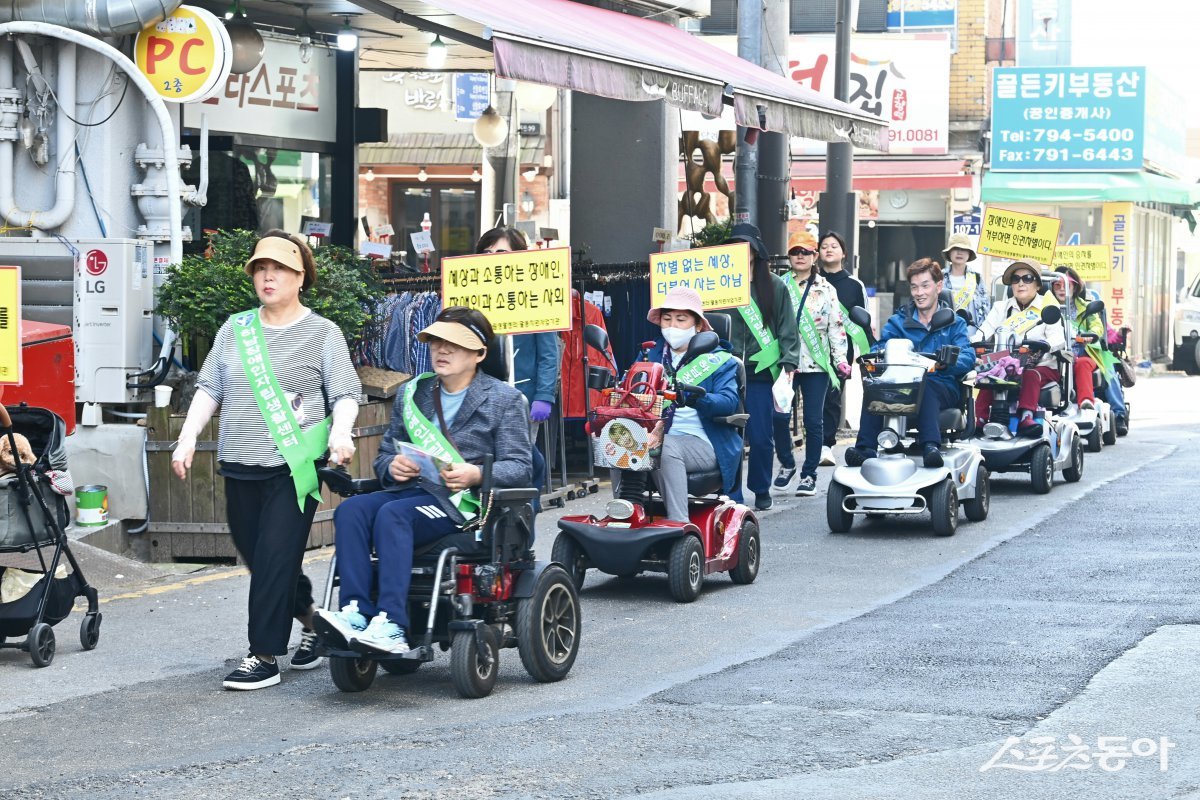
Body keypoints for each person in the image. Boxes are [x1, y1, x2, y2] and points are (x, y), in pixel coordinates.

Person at [172, 231, 360, 690]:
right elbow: (210, 388)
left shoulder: (322, 333)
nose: (267, 275)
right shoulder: (235, 329)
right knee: (264, 560)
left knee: (275, 558)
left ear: (301, 278)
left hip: (293, 469)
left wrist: (340, 432)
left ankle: (263, 655)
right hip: (239, 463)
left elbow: (346, 393)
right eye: (260, 268)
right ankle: (314, 624)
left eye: (278, 268)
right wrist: (187, 437)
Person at [314, 307, 531, 654]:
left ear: (479, 353)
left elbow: (520, 466)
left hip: (463, 505)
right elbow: (384, 456)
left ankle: (393, 624)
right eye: (436, 342)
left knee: (393, 516)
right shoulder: (413, 393)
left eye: (454, 345)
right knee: (351, 510)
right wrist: (392, 467)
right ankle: (355, 612)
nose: (441, 351)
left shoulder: (504, 400)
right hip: (411, 491)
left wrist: (476, 474)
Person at [844, 258, 975, 468]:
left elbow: (968, 357)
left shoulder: (954, 323)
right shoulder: (898, 321)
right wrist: (876, 354)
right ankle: (865, 448)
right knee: (875, 387)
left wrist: (947, 361)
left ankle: (930, 445)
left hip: (941, 385)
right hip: (902, 385)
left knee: (927, 384)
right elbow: (883, 346)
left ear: (938, 286)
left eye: (925, 286)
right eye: (914, 287)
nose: (919, 293)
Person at [634, 287, 742, 522]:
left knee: (665, 446)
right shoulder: (649, 355)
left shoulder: (718, 360)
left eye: (681, 319)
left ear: (699, 326)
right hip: (655, 434)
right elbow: (631, 386)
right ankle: (628, 515)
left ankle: (679, 523)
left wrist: (696, 398)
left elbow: (729, 402)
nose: (672, 326)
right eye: (667, 319)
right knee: (619, 441)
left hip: (704, 440)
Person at [475, 227, 560, 508]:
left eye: (501, 252)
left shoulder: (537, 295)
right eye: (486, 252)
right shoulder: (473, 295)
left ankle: (524, 516)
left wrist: (544, 396)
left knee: (519, 461)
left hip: (523, 397)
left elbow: (549, 354)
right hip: (482, 395)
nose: (493, 258)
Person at [724, 223, 800, 511]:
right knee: (728, 435)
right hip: (725, 371)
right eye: (735, 245)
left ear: (756, 251)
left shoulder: (775, 285)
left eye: (746, 246)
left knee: (760, 436)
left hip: (760, 372)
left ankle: (760, 487)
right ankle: (731, 492)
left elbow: (787, 328)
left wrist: (788, 362)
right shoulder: (720, 284)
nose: (741, 252)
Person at [772, 230, 850, 497]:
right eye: (795, 252)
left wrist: (840, 362)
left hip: (817, 364)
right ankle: (786, 463)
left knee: (813, 421)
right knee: (779, 415)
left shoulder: (827, 289)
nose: (800, 256)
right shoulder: (779, 285)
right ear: (789, 256)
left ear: (814, 256)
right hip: (786, 363)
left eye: (805, 251)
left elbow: (836, 329)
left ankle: (809, 475)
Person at [973, 260, 1066, 433]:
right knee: (989, 374)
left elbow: (1058, 340)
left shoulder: (1048, 308)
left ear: (1038, 285)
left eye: (1027, 278)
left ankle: (1026, 416)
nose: (1020, 283)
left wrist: (1042, 346)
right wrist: (973, 344)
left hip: (1041, 366)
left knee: (1030, 373)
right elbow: (983, 332)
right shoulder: (1001, 307)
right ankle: (979, 420)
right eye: (1015, 279)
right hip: (1007, 364)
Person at [817, 231, 869, 467]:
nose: (829, 249)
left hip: (840, 351)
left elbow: (863, 322)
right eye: (824, 246)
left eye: (834, 246)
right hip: (810, 349)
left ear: (844, 253)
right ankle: (815, 443)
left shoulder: (854, 285)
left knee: (832, 397)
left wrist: (868, 353)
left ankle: (826, 445)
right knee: (811, 398)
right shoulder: (809, 282)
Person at [1048, 266, 1099, 411]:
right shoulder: (1045, 306)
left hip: (1081, 353)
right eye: (1058, 285)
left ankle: (1086, 401)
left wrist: (1091, 334)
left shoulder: (1085, 306)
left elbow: (1097, 326)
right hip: (1052, 354)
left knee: (1082, 364)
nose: (1062, 289)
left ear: (1075, 288)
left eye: (1067, 285)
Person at [942, 232, 990, 327]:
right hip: (945, 332)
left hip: (973, 335)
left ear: (969, 253)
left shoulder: (977, 278)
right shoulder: (939, 276)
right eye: (956, 248)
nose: (960, 252)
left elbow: (986, 308)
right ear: (949, 252)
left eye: (964, 249)